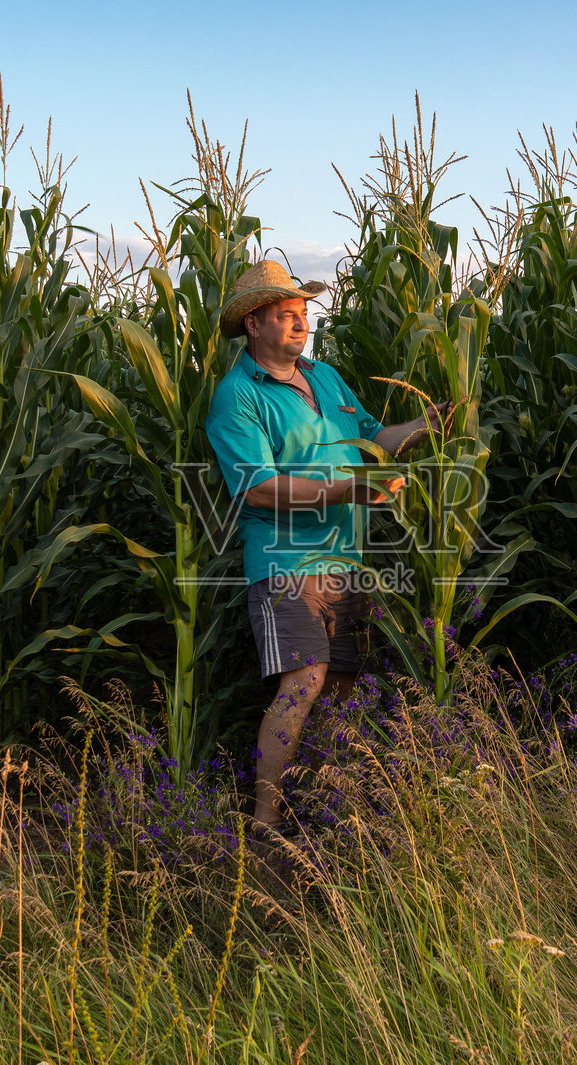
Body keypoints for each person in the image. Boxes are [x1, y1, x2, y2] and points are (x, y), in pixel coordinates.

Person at [205, 259, 445, 827]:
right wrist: (346, 491)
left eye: (303, 313)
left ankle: (322, 804)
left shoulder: (326, 377)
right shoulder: (238, 396)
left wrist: (426, 425)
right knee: (304, 678)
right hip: (284, 562)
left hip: (345, 558)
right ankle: (265, 822)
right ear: (252, 326)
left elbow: (371, 438)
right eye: (285, 315)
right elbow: (258, 488)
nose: (300, 323)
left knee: (339, 685)